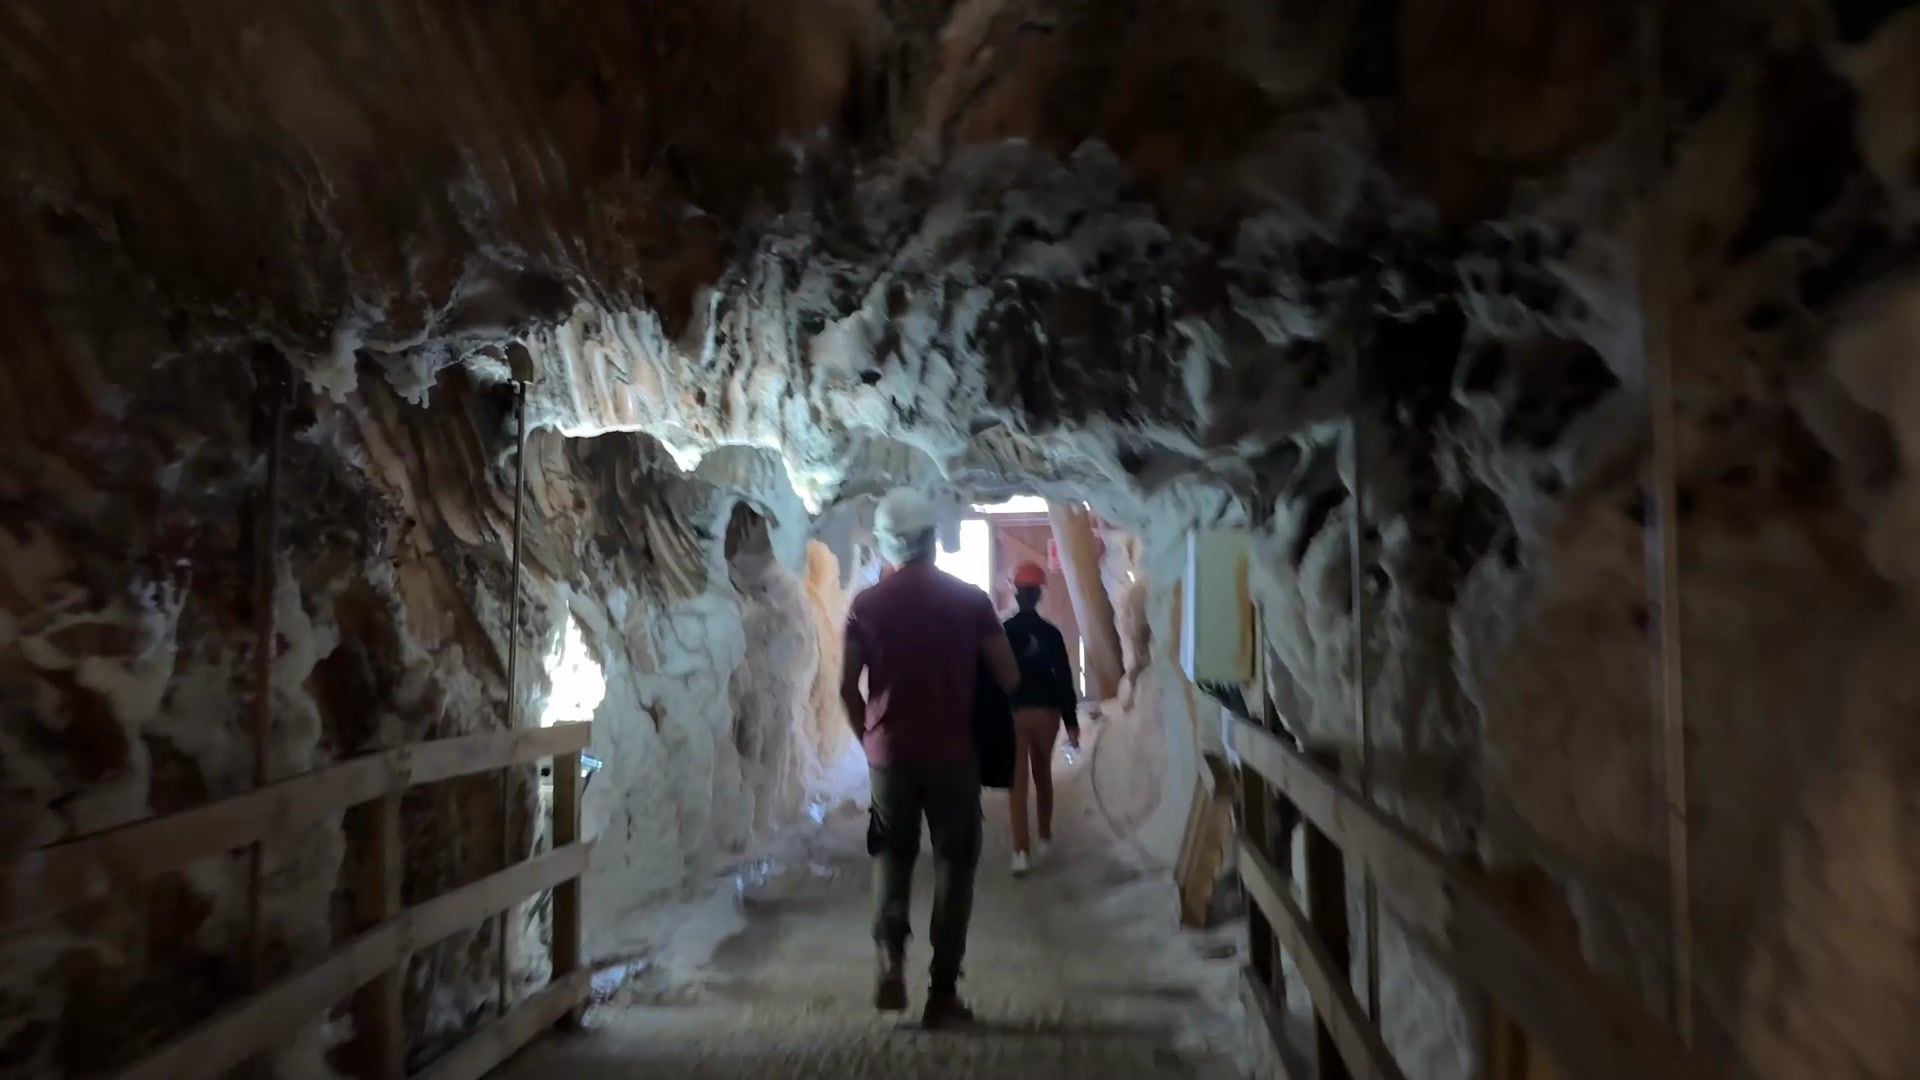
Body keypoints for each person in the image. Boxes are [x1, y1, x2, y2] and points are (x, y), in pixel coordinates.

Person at [841, 488, 1020, 1028]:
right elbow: (1009, 675)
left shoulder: (866, 605)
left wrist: (868, 739)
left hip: (890, 756)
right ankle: (942, 993)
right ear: (933, 540)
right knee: (954, 865)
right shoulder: (969, 601)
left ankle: (891, 960)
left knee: (891, 856)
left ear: (886, 544)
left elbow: (847, 686)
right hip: (954, 754)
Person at [1000, 562, 1079, 876]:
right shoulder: (1051, 634)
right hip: (1047, 712)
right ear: (1039, 594)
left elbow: (994, 678)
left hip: (1015, 713)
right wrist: (1071, 722)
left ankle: (1021, 852)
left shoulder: (1004, 632)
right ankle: (1045, 837)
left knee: (1017, 784)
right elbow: (1064, 679)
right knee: (1042, 774)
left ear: (1016, 593)